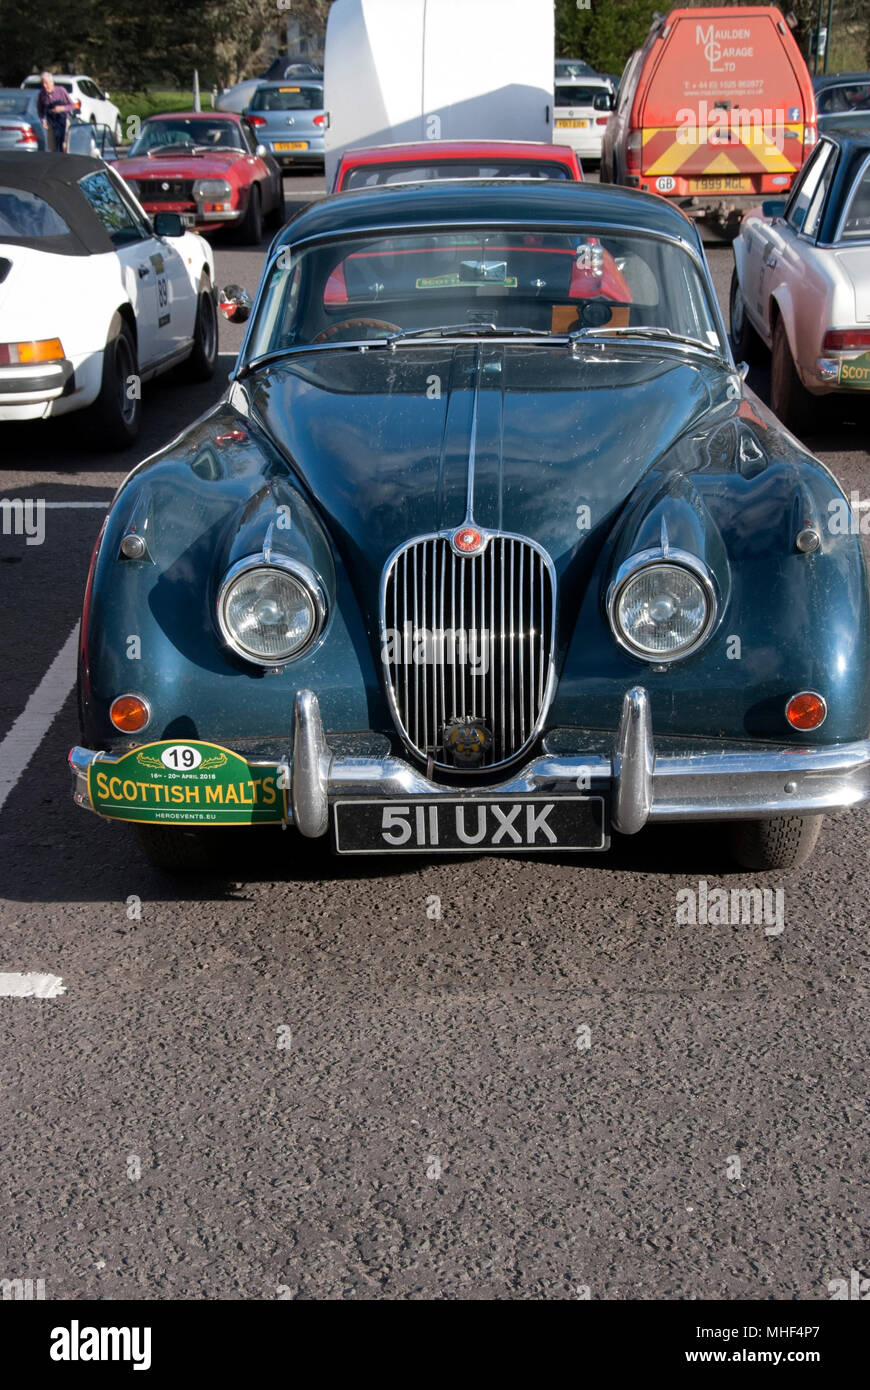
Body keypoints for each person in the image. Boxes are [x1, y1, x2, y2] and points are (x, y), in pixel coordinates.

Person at [37, 72, 75, 153]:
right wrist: (42, 120)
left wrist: (62, 108)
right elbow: (40, 110)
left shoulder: (61, 90)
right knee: (52, 148)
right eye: (43, 83)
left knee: (64, 146)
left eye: (46, 83)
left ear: (52, 82)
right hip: (51, 123)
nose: (44, 85)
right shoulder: (42, 94)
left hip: (63, 122)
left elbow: (72, 105)